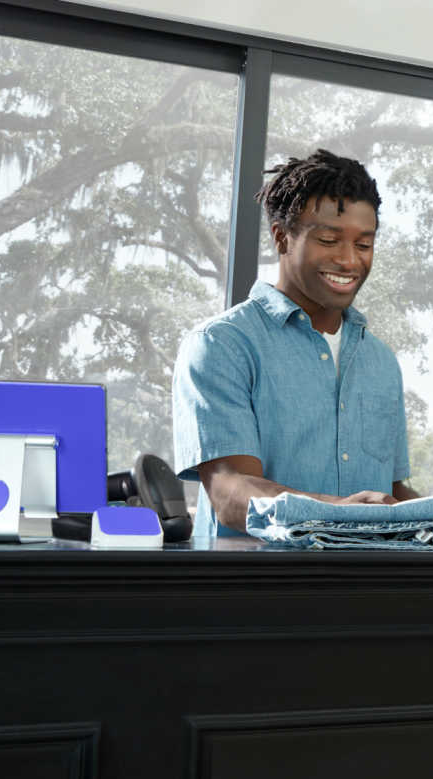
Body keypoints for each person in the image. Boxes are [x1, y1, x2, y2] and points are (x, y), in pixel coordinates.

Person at [172, 149, 419, 538]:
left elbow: (391, 491)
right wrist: (338, 511)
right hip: (257, 591)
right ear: (281, 237)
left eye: (364, 244)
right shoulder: (221, 345)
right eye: (328, 240)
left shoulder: (381, 361)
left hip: (370, 590)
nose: (349, 261)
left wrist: (432, 516)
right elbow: (229, 490)